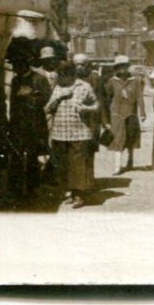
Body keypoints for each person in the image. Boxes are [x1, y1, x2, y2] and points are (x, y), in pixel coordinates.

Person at [44, 62, 100, 208]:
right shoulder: (58, 88)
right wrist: (59, 97)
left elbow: (97, 105)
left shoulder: (84, 86)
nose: (61, 79)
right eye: (60, 76)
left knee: (79, 165)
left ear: (72, 75)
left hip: (80, 133)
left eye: (64, 76)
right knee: (64, 165)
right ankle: (70, 192)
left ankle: (79, 195)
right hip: (59, 133)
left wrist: (86, 108)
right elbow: (47, 109)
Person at [6, 52, 52, 203]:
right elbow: (13, 103)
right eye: (13, 65)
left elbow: (46, 100)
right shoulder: (15, 80)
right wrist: (11, 122)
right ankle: (16, 189)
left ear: (25, 64)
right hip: (17, 124)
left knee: (33, 157)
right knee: (16, 156)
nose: (14, 68)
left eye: (17, 65)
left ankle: (32, 189)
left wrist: (29, 96)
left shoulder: (40, 79)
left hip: (34, 124)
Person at [104, 56, 144, 174]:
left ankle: (130, 161)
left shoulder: (135, 81)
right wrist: (106, 116)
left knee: (131, 137)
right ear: (116, 68)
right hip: (116, 114)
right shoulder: (112, 81)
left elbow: (139, 97)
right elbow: (107, 97)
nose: (123, 70)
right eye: (120, 67)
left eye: (125, 67)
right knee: (118, 139)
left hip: (131, 113)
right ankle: (117, 166)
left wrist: (142, 112)